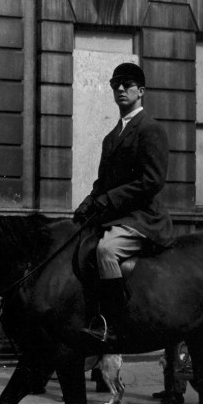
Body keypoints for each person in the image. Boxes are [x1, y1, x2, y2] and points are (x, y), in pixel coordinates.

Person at [73, 62, 173, 349]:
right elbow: (101, 184)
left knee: (106, 250)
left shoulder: (150, 129)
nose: (119, 88)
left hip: (143, 218)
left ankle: (115, 326)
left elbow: (152, 181)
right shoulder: (110, 138)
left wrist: (108, 199)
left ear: (141, 91)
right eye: (115, 84)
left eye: (127, 84)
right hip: (115, 216)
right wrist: (86, 205)